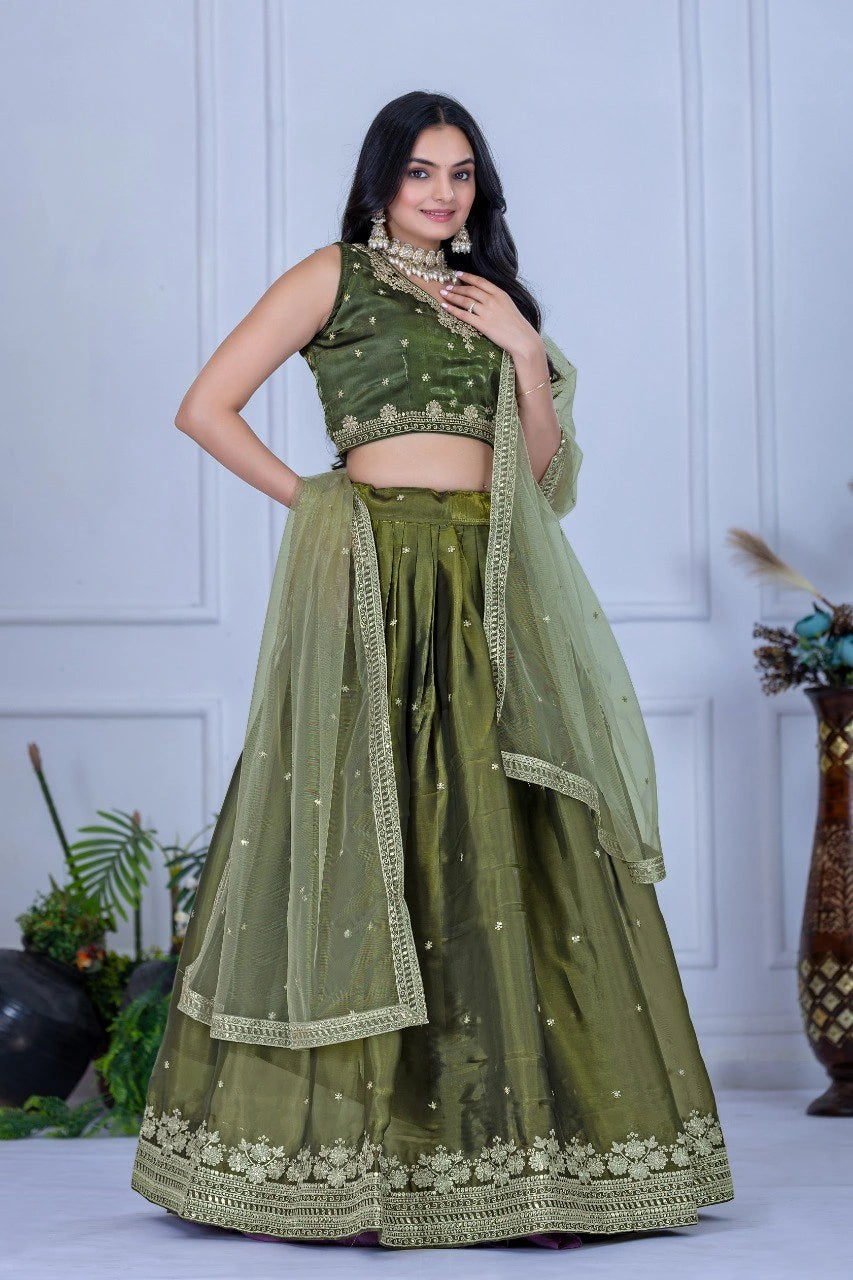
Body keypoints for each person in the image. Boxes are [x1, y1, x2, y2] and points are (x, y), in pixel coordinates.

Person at [130, 90, 734, 1251]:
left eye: (461, 174)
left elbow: (543, 476)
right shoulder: (332, 276)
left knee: (504, 845)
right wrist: (316, 501)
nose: (443, 192)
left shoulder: (497, 303)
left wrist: (518, 349)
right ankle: (346, 1170)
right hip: (370, 580)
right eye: (422, 172)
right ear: (381, 181)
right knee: (375, 835)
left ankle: (531, 1170)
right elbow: (205, 406)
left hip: (484, 587)